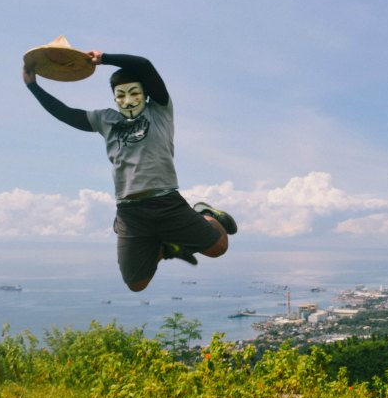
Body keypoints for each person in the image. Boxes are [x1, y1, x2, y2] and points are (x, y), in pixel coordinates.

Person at [23, 50, 237, 292]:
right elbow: (66, 114)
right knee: (136, 284)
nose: (127, 100)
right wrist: (33, 86)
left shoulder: (159, 111)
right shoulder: (106, 120)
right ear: (114, 99)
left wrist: (103, 58)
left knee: (219, 248)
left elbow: (145, 65)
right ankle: (165, 246)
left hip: (165, 201)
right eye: (120, 95)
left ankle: (206, 214)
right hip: (129, 211)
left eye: (134, 92)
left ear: (145, 94)